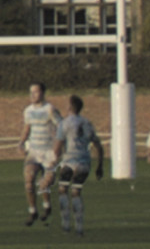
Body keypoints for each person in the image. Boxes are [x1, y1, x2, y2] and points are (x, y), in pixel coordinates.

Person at [52, 95, 104, 237]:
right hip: (84, 163)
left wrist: (52, 165)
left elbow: (57, 148)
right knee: (76, 192)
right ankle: (79, 227)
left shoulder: (64, 123)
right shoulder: (87, 123)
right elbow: (98, 146)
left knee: (63, 189)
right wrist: (100, 166)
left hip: (69, 161)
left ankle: (66, 224)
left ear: (69, 107)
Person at [19, 82, 63, 226]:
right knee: (29, 181)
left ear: (43, 93)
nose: (32, 95)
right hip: (34, 152)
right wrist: (21, 142)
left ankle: (47, 206)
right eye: (30, 92)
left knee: (44, 185)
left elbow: (61, 128)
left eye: (36, 92)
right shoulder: (28, 111)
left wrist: (57, 150)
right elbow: (27, 128)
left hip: (49, 153)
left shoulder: (50, 109)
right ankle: (32, 211)